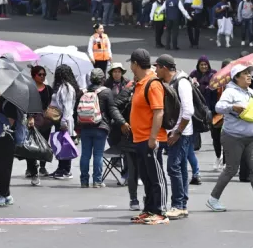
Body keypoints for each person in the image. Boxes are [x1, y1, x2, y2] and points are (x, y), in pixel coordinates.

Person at [207, 64, 253, 212]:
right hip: (233, 137)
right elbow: (218, 107)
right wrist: (232, 107)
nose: (249, 76)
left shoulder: (251, 93)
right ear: (236, 77)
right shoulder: (230, 92)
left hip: (251, 137)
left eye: (249, 73)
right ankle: (213, 199)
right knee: (231, 169)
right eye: (245, 74)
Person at [127, 48, 169, 225]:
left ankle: (160, 211)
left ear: (135, 64)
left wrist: (153, 138)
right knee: (145, 176)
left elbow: (158, 112)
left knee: (156, 176)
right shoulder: (140, 83)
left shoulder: (152, 83)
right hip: (139, 138)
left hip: (150, 139)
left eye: (131, 63)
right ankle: (149, 209)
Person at [155, 54, 194, 220]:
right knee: (181, 168)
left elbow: (188, 111)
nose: (155, 70)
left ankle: (177, 204)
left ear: (164, 68)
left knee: (173, 167)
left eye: (157, 67)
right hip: (177, 132)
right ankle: (182, 205)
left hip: (180, 133)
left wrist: (177, 132)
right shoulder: (171, 82)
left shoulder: (182, 82)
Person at [78, 68, 124, 188]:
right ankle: (97, 181)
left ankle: (84, 181)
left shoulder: (83, 92)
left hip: (85, 127)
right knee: (98, 154)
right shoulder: (106, 92)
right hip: (100, 127)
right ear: (102, 79)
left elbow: (76, 111)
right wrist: (122, 122)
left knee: (85, 155)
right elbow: (112, 109)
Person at [49, 64, 81, 180]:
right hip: (61, 120)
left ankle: (66, 170)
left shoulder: (66, 88)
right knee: (61, 144)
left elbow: (67, 107)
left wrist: (63, 122)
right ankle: (61, 168)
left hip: (64, 120)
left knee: (66, 144)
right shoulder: (63, 87)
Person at [25, 66, 53, 184]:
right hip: (32, 120)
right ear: (34, 75)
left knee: (43, 145)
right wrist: (29, 116)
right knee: (31, 146)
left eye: (44, 75)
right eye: (40, 74)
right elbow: (26, 103)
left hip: (45, 120)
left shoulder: (48, 89)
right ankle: (32, 169)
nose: (42, 77)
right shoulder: (28, 89)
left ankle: (42, 166)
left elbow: (52, 102)